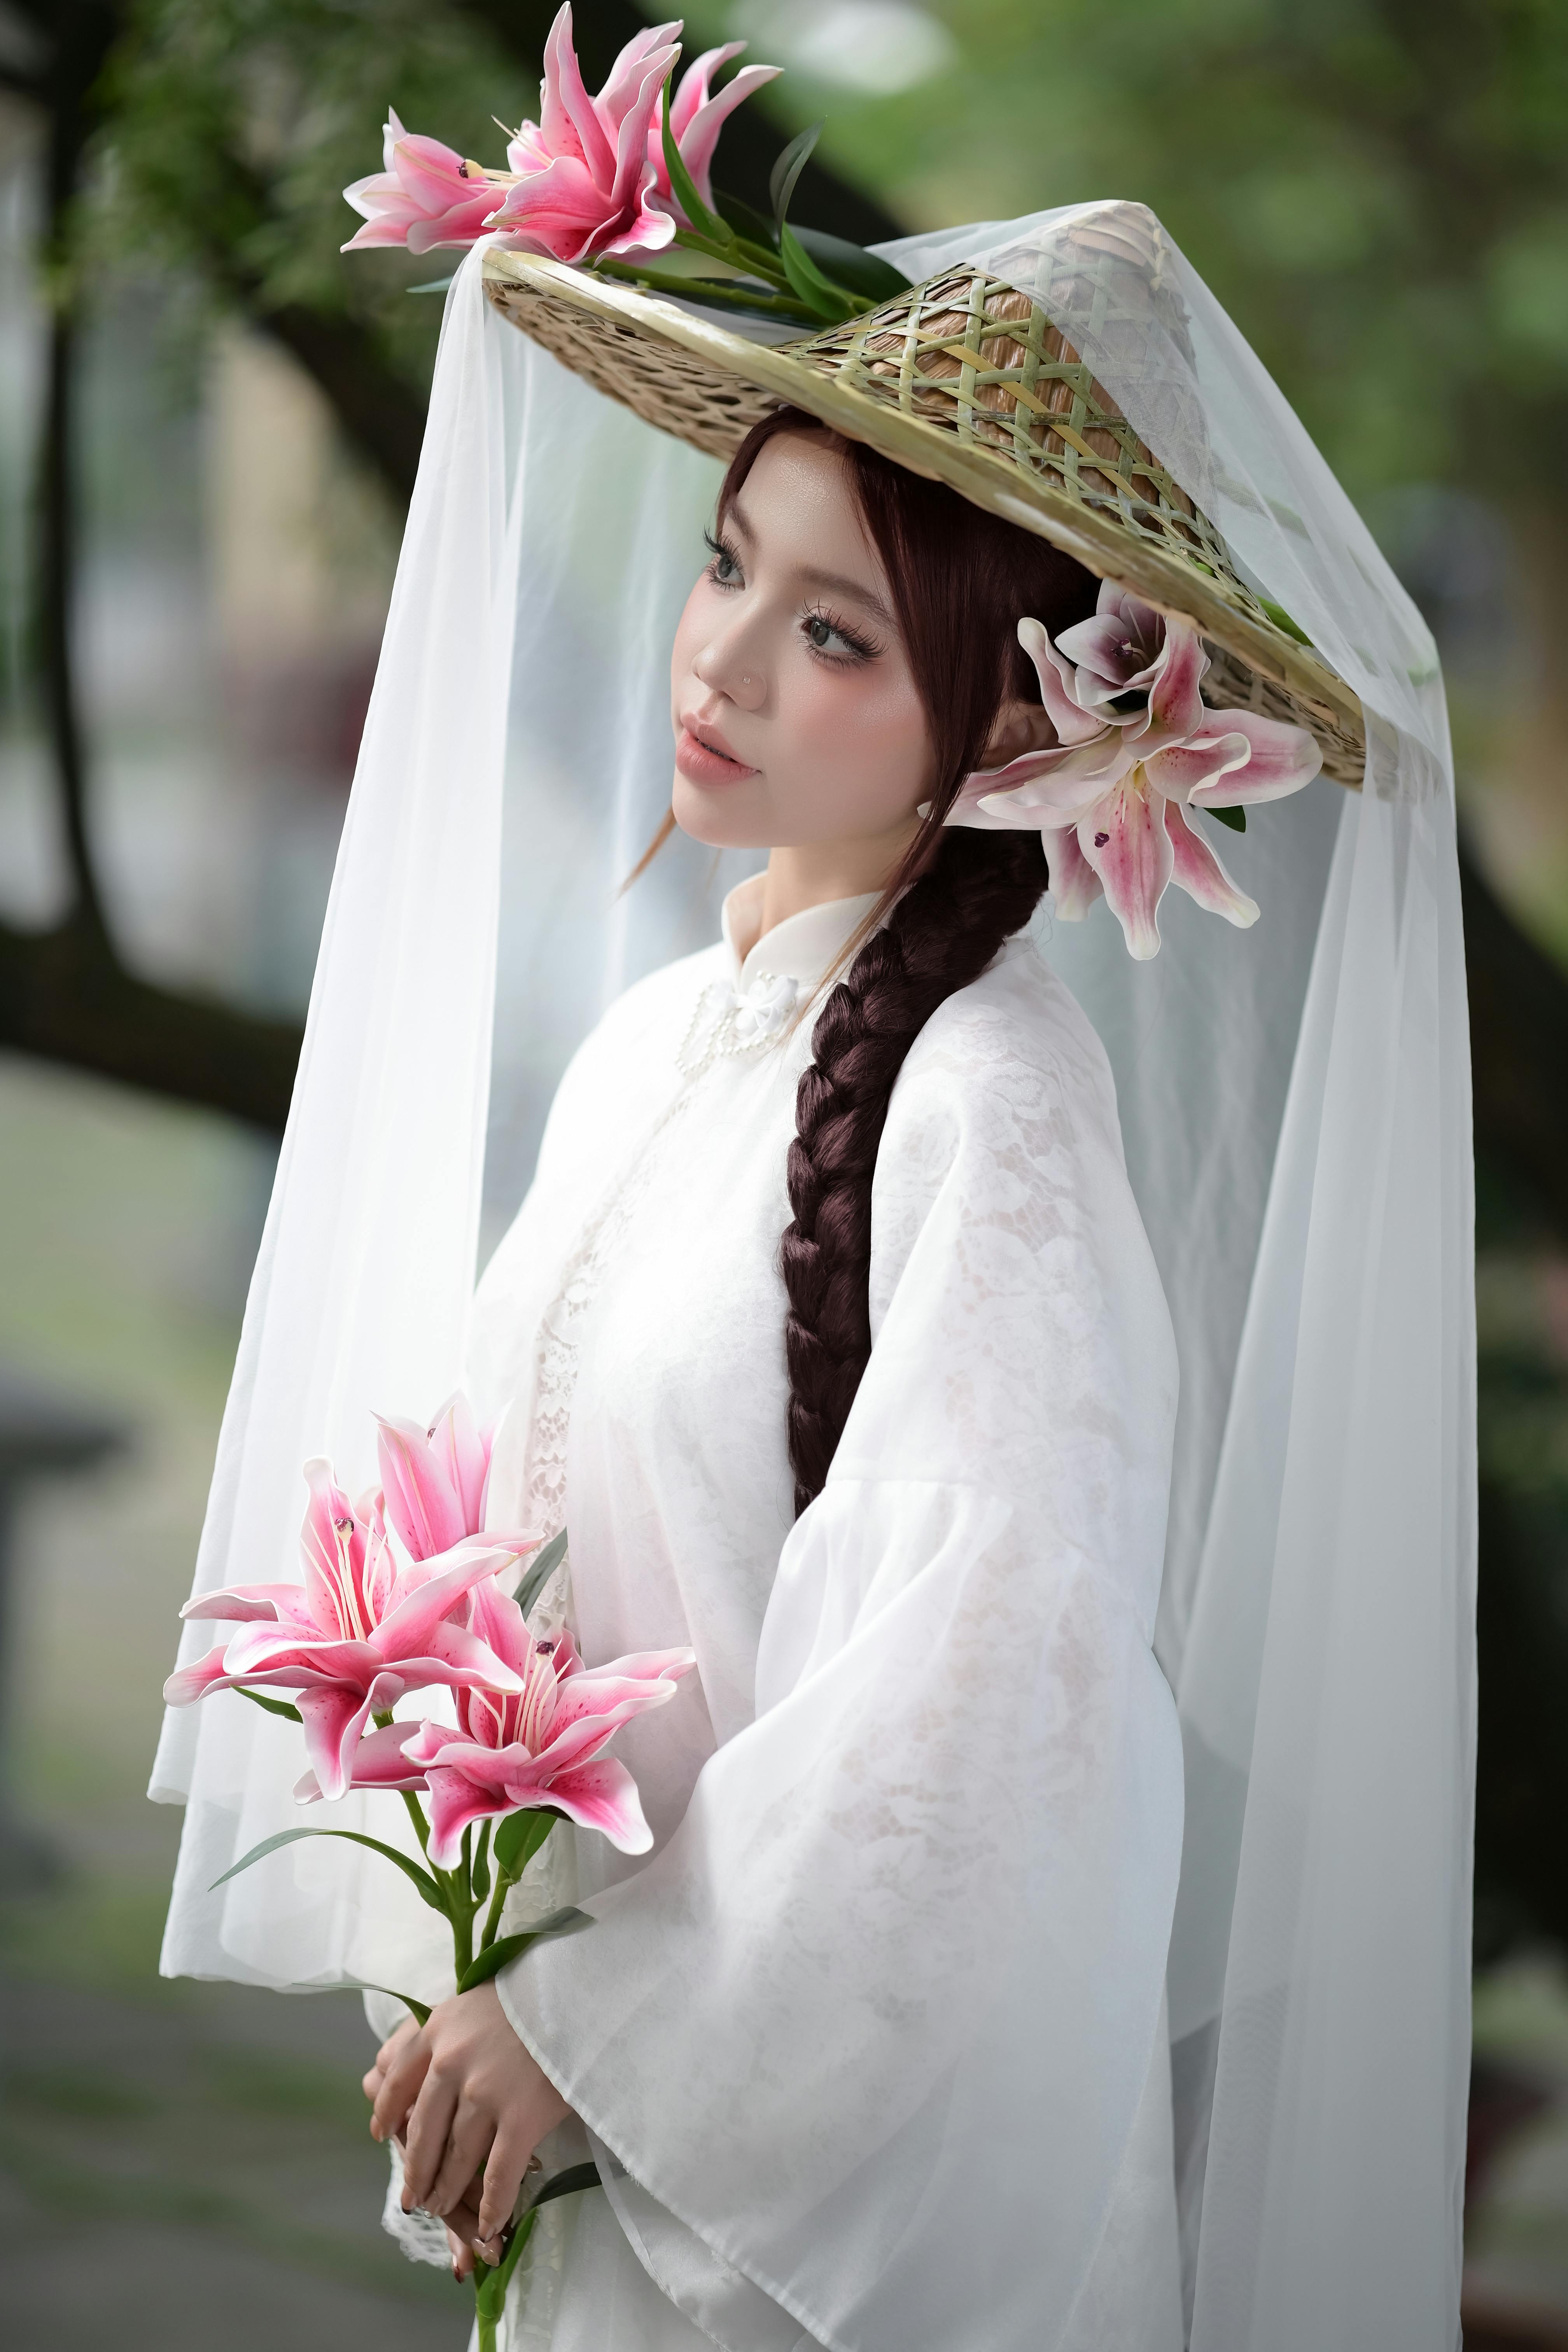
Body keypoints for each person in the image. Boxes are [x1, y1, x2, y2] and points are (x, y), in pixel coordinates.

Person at [154, 184, 1474, 2352]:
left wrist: (586, 2025)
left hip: (793, 2228)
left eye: (838, 634)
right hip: (602, 2156)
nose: (726, 657)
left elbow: (983, 1736)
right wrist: (483, 1957)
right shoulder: (659, 1042)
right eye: (727, 561)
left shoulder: (997, 1115)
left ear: (1019, 730)